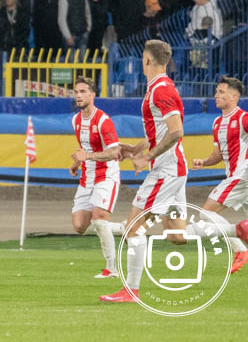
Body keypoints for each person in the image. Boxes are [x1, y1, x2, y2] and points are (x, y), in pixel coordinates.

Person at [99, 39, 187, 303]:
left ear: (147, 60)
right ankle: (237, 230)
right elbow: (160, 132)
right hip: (173, 169)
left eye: (142, 58)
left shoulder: (160, 90)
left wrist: (148, 156)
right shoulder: (159, 88)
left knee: (133, 228)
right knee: (177, 235)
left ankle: (131, 290)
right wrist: (137, 149)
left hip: (165, 171)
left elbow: (176, 131)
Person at [185, 76, 248, 275]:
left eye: (221, 92)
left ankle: (240, 250)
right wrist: (204, 162)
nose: (216, 95)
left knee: (206, 211)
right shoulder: (217, 123)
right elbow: (218, 155)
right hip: (236, 176)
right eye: (217, 91)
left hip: (242, 174)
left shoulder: (243, 118)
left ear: (234, 96)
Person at [64, 77, 123, 280]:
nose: (78, 95)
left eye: (82, 92)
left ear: (92, 95)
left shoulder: (103, 120)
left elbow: (114, 152)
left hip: (106, 175)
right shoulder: (76, 120)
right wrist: (77, 163)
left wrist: (87, 156)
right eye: (76, 92)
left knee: (99, 219)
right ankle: (124, 228)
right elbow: (85, 149)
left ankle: (111, 269)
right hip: (87, 177)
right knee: (80, 226)